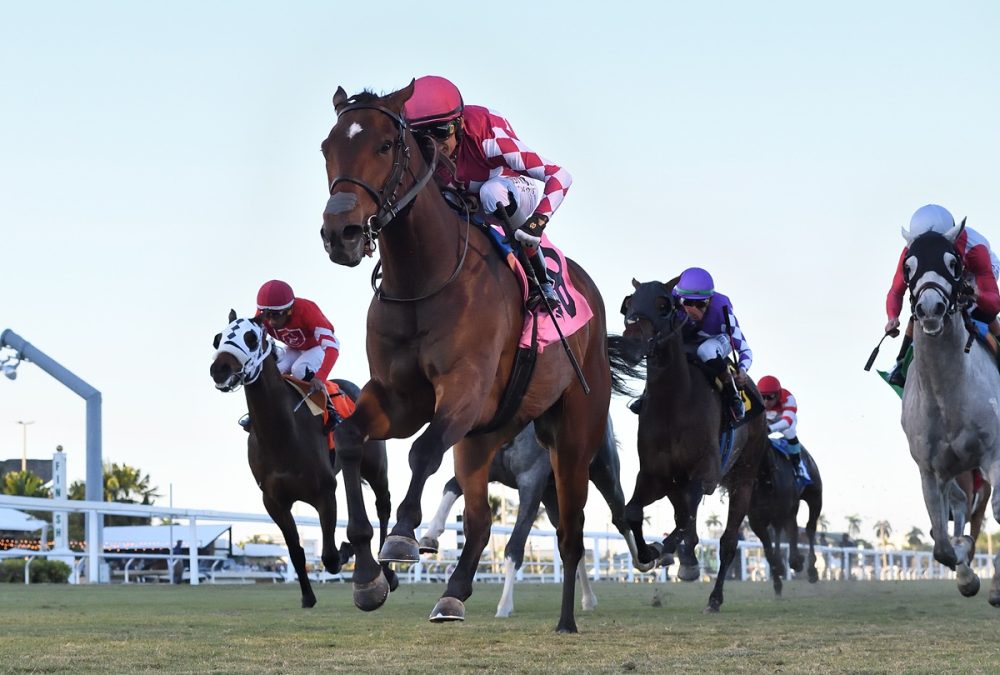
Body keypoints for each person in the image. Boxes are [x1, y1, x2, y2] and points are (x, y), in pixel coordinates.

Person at [402, 75, 571, 309]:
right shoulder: (417, 154)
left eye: (442, 131)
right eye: (422, 137)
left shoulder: (487, 136)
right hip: (464, 199)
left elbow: (561, 176)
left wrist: (537, 222)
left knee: (492, 192)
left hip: (512, 187)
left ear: (459, 125)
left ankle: (542, 283)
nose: (434, 145)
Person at [884, 204, 1000, 386]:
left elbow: (993, 302)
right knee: (922, 306)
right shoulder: (911, 251)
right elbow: (896, 290)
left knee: (981, 312)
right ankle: (900, 364)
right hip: (945, 274)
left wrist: (976, 295)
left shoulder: (976, 248)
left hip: (973, 273)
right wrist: (892, 317)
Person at [629, 267, 752, 422]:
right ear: (679, 298)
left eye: (701, 304)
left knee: (706, 350)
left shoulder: (722, 308)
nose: (693, 309)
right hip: (690, 337)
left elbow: (745, 349)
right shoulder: (671, 299)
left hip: (717, 339)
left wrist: (742, 369)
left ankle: (733, 396)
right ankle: (647, 393)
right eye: (688, 302)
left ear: (710, 300)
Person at [239, 280, 341, 430]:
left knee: (299, 369)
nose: (271, 321)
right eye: (267, 315)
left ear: (289, 310)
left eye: (276, 315)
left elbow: (332, 347)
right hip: (295, 347)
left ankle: (331, 411)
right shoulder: (263, 316)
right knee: (271, 372)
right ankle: (259, 414)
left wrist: (320, 376)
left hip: (319, 347)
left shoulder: (307, 310)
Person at [757, 375, 806, 481]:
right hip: (767, 417)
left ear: (778, 395)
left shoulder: (788, 398)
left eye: (770, 397)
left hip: (783, 417)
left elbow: (787, 422)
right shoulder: (755, 398)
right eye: (763, 397)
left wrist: (770, 429)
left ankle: (797, 464)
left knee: (789, 432)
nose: (766, 402)